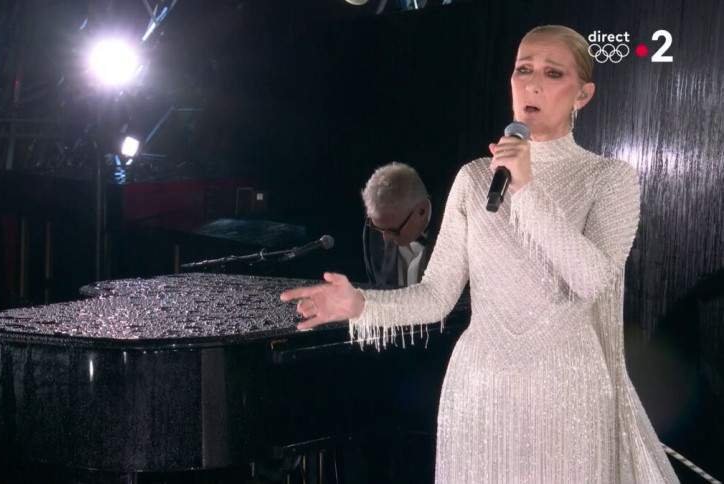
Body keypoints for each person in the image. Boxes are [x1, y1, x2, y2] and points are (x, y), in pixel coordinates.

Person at [281, 25, 678, 482]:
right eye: (523, 69)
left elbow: (592, 280)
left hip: (566, 393)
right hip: (479, 389)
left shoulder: (608, 178)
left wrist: (526, 189)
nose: (532, 84)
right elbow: (437, 296)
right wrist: (361, 305)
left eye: (552, 73)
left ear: (582, 95)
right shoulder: (474, 178)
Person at [361, 162, 439, 288]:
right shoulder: (373, 232)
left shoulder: (459, 231)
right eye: (379, 228)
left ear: (422, 211)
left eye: (394, 230)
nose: (386, 238)